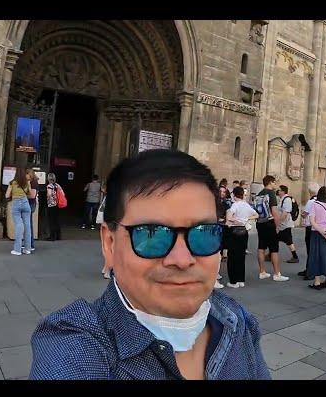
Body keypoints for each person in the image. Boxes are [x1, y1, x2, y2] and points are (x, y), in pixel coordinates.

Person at [29, 149, 270, 380]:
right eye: (152, 234)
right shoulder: (76, 346)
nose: (182, 259)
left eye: (203, 233)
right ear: (110, 243)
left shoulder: (237, 321)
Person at [254, 175, 289, 282]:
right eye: (274, 183)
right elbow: (274, 212)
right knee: (274, 249)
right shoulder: (271, 194)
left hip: (260, 223)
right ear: (270, 182)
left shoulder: (259, 194)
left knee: (261, 247)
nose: (275, 185)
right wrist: (277, 226)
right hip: (269, 223)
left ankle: (262, 271)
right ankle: (277, 273)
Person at [225, 186, 259, 288]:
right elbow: (257, 215)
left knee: (232, 256)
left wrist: (236, 220)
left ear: (234, 195)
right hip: (244, 231)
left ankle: (233, 281)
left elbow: (228, 217)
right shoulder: (246, 205)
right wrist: (246, 218)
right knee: (241, 255)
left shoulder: (235, 205)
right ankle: (241, 279)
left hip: (235, 231)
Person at [5, 167, 33, 256]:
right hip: (25, 203)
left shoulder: (12, 183)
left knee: (18, 225)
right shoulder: (27, 182)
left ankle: (17, 250)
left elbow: (6, 195)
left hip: (16, 203)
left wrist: (14, 193)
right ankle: (27, 249)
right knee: (27, 226)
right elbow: (31, 195)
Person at [299, 182, 319, 279]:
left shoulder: (311, 202)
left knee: (310, 250)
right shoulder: (319, 201)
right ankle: (309, 269)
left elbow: (305, 214)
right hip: (317, 227)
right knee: (313, 250)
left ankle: (310, 271)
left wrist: (302, 213)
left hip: (310, 227)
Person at [277, 185, 300, 263]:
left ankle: (295, 257)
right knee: (275, 238)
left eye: (279, 190)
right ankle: (271, 254)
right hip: (284, 224)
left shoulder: (286, 200)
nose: (278, 192)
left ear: (283, 191)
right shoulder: (283, 199)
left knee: (289, 241)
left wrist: (278, 223)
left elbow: (285, 213)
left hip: (285, 224)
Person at [46, 173, 62, 241]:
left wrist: (48, 198)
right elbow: (62, 193)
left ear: (48, 178)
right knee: (56, 220)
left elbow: (49, 194)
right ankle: (58, 236)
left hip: (51, 205)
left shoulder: (49, 185)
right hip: (57, 205)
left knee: (51, 221)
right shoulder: (57, 185)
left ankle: (52, 236)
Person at [26, 168, 39, 251]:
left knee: (28, 224)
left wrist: (21, 195)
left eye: (26, 174)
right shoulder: (31, 182)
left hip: (30, 204)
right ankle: (29, 243)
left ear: (29, 174)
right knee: (27, 224)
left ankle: (30, 244)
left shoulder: (33, 182)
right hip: (30, 203)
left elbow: (32, 195)